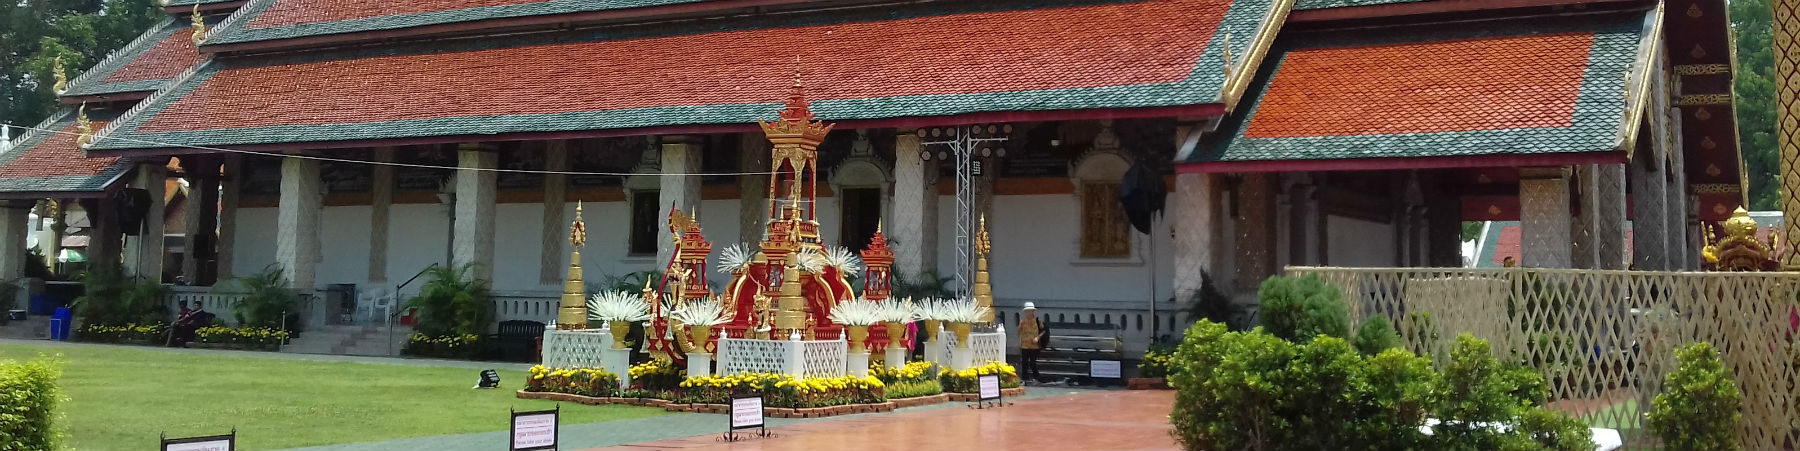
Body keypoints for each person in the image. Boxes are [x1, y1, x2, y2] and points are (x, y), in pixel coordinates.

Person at [1018, 302, 1047, 382]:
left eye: (1031, 311)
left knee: (1032, 362)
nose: (1029, 313)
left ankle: (1036, 376)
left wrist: (1037, 338)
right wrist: (1019, 342)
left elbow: (1044, 330)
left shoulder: (1037, 322)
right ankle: (1025, 378)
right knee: (1024, 362)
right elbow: (1019, 332)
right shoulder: (1023, 322)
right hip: (1024, 345)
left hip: (1034, 346)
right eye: (1027, 311)